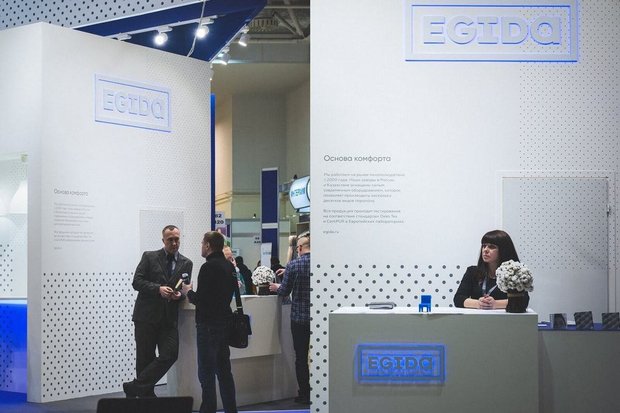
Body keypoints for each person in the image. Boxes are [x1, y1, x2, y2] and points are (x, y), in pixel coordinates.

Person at [124, 225, 193, 398]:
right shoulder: (149, 257)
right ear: (163, 240)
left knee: (170, 354)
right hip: (146, 317)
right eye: (170, 240)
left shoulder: (187, 263)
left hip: (168, 319)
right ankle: (146, 398)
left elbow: (184, 289)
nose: (174, 243)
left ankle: (135, 387)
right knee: (144, 359)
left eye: (177, 239)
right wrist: (158, 289)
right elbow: (137, 282)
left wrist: (179, 295)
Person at [181, 231, 238, 413]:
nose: (201, 246)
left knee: (206, 374)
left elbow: (203, 301)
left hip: (208, 326)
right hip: (224, 324)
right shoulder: (229, 267)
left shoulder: (208, 268)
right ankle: (231, 409)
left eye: (202, 243)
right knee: (224, 372)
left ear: (207, 245)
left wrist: (188, 292)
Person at [269, 234, 311, 405]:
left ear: (299, 248)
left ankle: (305, 394)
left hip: (299, 319)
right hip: (318, 319)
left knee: (300, 357)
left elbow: (284, 291)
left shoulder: (294, 265)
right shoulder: (322, 263)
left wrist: (276, 287)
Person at [453, 229, 529, 310]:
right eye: (484, 246)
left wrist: (495, 304)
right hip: (476, 317)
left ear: (503, 250)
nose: (485, 250)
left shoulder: (514, 273)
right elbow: (458, 299)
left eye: (491, 247)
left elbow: (523, 301)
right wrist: (478, 304)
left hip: (503, 317)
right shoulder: (472, 272)